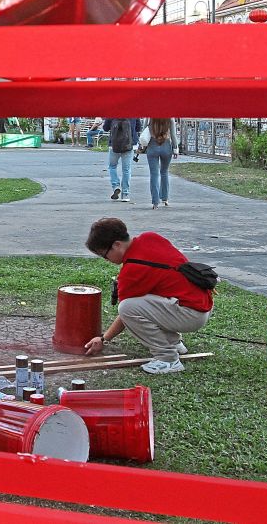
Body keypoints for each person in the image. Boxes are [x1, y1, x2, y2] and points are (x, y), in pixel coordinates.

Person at [83, 217, 213, 375]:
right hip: (201, 304)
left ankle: (167, 359)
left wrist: (104, 339)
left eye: (104, 255)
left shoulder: (132, 270)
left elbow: (127, 315)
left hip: (191, 314)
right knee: (145, 302)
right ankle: (174, 343)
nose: (106, 260)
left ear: (117, 245)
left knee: (127, 308)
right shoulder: (150, 237)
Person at [102, 117, 141, 203]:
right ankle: (125, 194)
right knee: (126, 169)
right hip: (129, 144)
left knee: (112, 166)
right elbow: (138, 128)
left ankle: (116, 186)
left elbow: (105, 128)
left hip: (114, 145)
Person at [141, 117, 175, 210]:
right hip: (166, 147)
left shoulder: (149, 118)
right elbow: (173, 135)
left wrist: (142, 147)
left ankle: (155, 202)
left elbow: (144, 133)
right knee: (164, 172)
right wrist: (175, 149)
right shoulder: (170, 119)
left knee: (154, 174)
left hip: (152, 147)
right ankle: (165, 198)